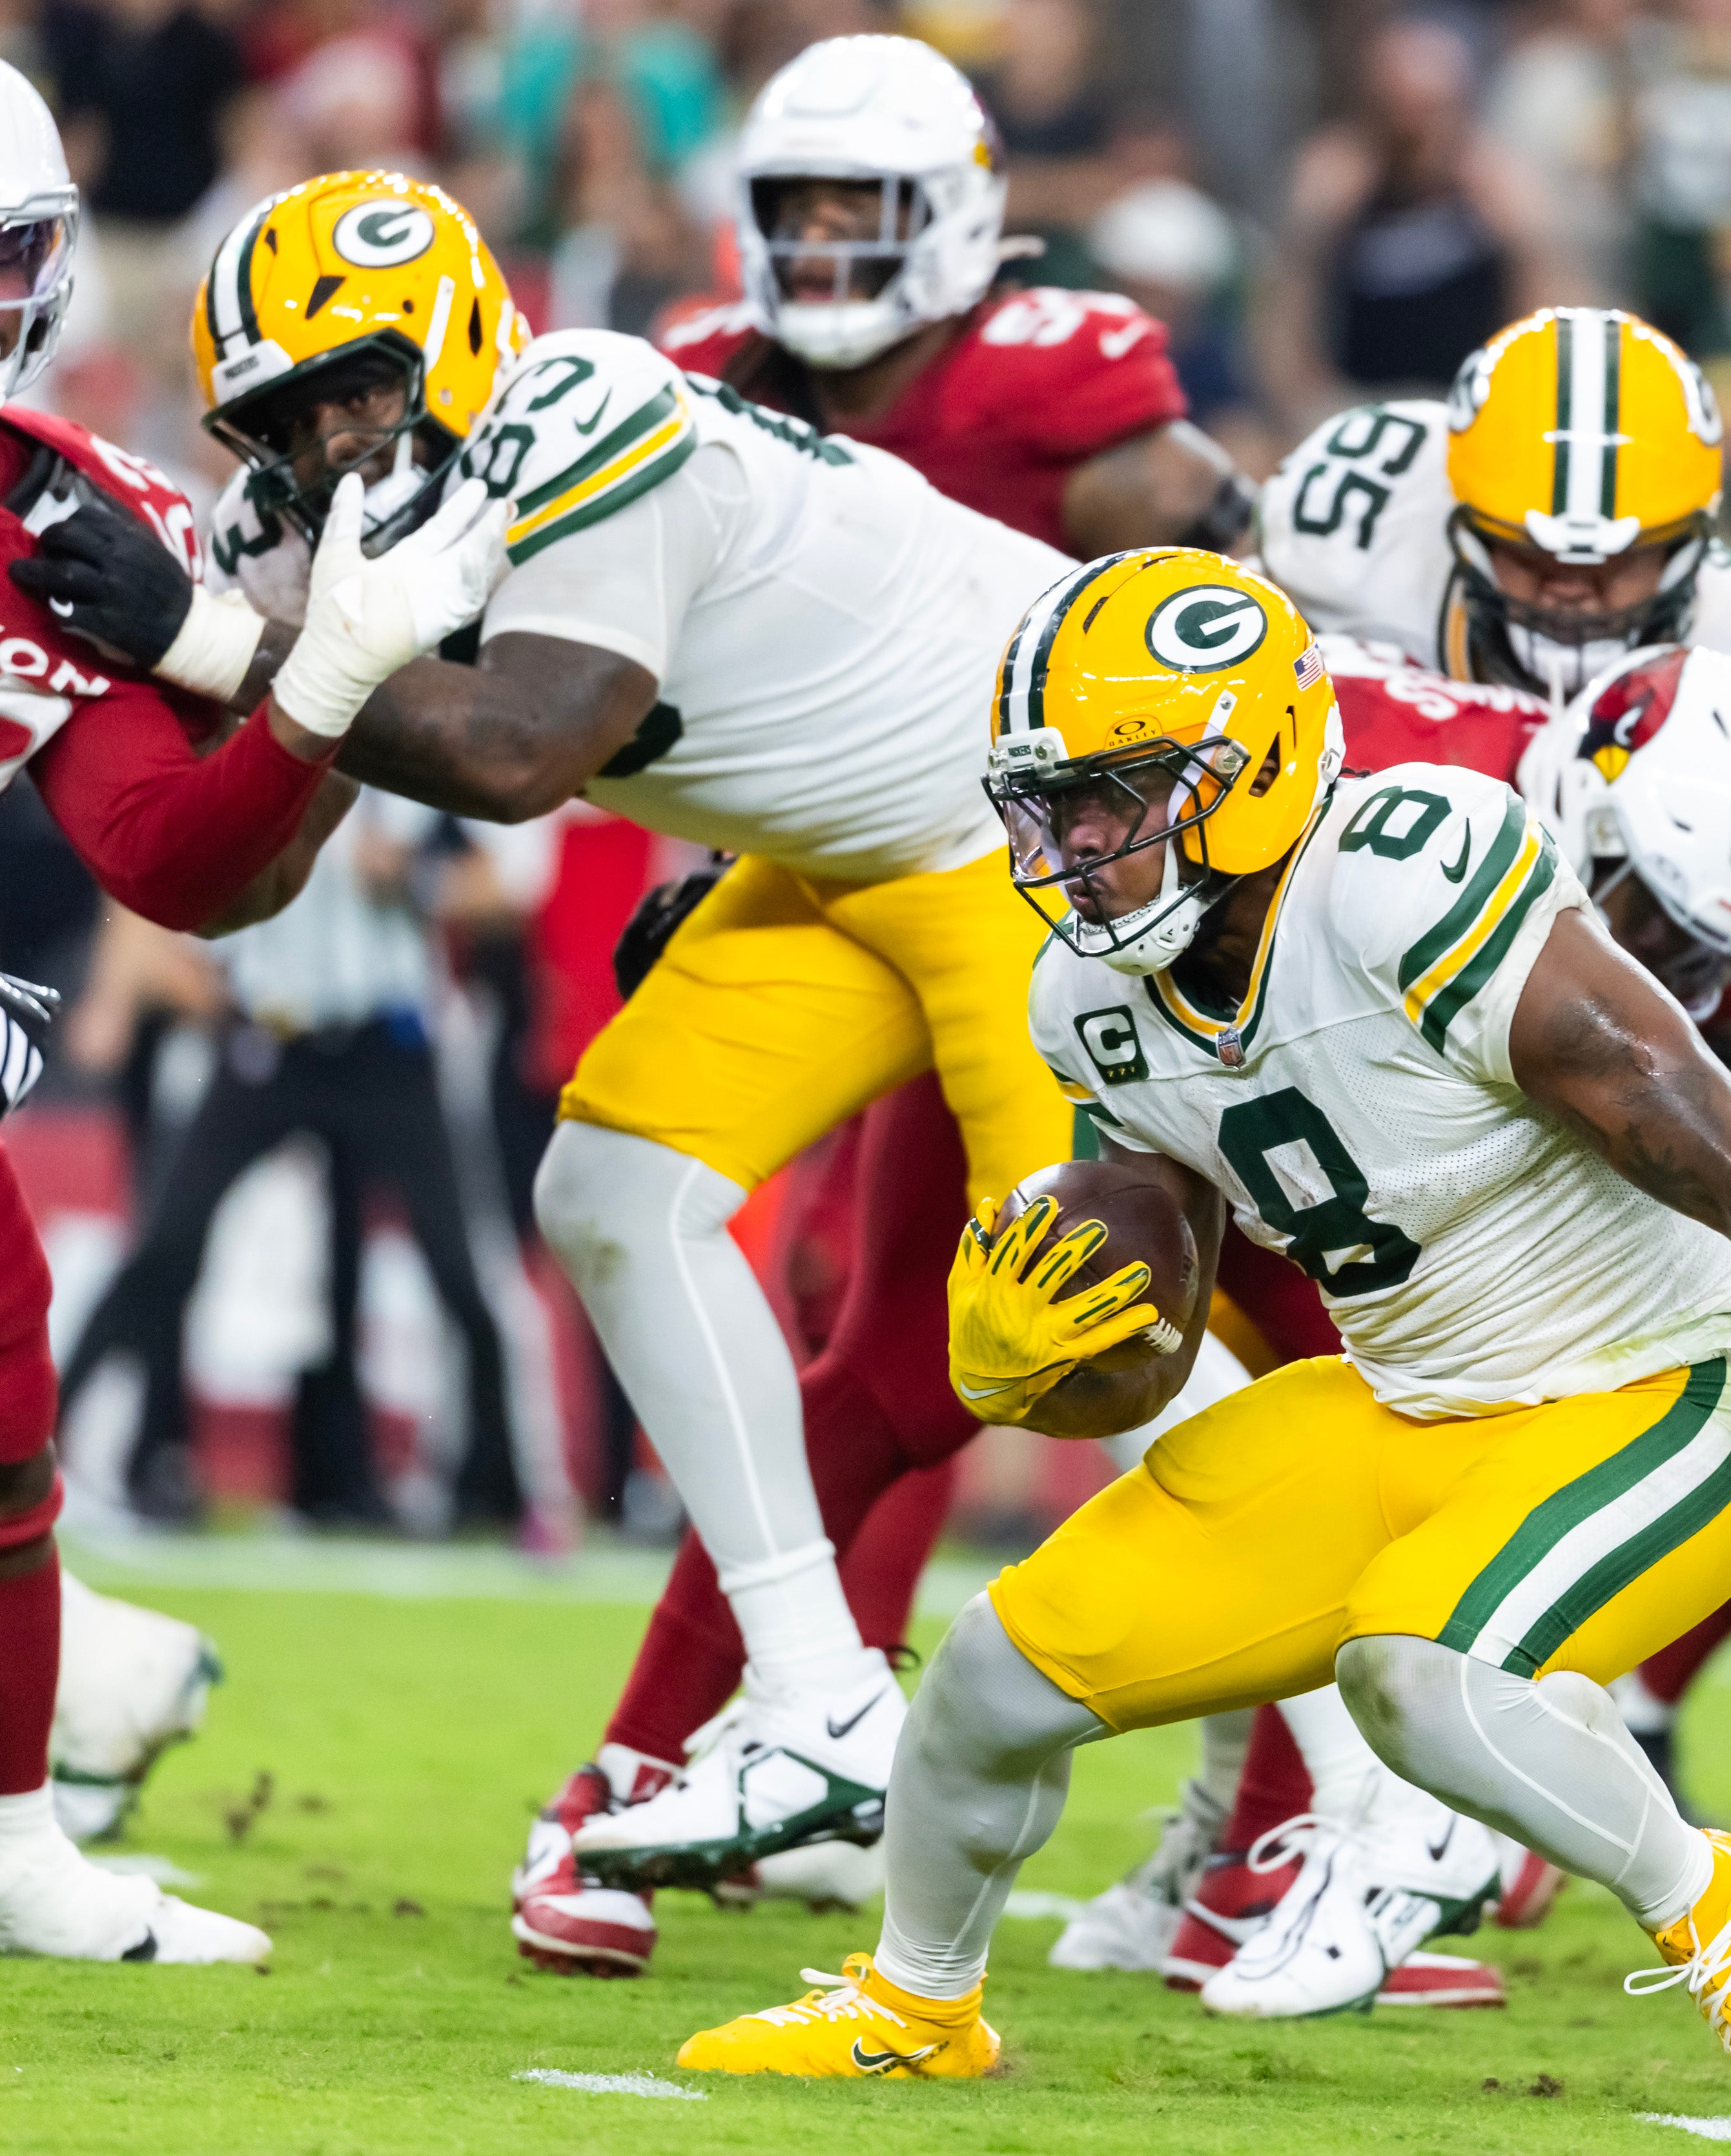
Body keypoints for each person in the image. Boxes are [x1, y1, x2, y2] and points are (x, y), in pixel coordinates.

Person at [671, 550, 1731, 2125]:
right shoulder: (1089, 993)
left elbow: (1718, 1143)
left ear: (1245, 776)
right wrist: (1029, 1356)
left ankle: (1715, 1911)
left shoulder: (1410, 876)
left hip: (1646, 1394)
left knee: (1415, 1678)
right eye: (1047, 800)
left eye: (1111, 795)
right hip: (1403, 1404)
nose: (1071, 844)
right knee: (995, 1674)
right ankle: (914, 2003)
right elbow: (1154, 1331)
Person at [25, 165, 1085, 1895]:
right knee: (608, 1191)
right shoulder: (289, 532)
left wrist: (222, 643)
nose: (330, 442)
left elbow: (524, 752)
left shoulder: (577, 399)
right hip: (835, 865)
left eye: (358, 386)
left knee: (1104, 1331)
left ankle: (1341, 1799)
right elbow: (255, 870)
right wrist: (259, 671)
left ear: (454, 345)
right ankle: (820, 1703)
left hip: (1030, 841)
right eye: (283, 418)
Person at [511, 32, 1252, 1982]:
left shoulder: (1056, 377)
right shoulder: (695, 378)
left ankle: (1327, 1810)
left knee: (1060, 1327)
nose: (827, 247)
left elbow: (1207, 595)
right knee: (864, 1339)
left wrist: (1191, 872)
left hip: (1055, 893)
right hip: (849, 874)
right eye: (798, 210)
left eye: (865, 209)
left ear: (964, 215)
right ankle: (701, 1741)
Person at [1250, 305, 1731, 2014]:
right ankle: (1258, 1827)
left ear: (1696, 535)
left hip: (1658, 1011)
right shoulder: (1338, 533)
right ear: (1454, 514)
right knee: (1307, 1389)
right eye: (1533, 569)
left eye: (1620, 568)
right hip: (1373, 995)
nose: (1571, 604)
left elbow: (1702, 963)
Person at [0, 63, 504, 1962]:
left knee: (5, 1372)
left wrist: (327, 687)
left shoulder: (68, 518)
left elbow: (175, 856)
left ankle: (16, 1839)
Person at [56, 791, 522, 1531]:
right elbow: (150, 881)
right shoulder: (251, 767)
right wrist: (142, 990)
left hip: (385, 1046)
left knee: (457, 1268)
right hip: (270, 1039)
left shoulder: (406, 785)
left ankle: (497, 1490)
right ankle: (40, 1441)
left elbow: (503, 890)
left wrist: (417, 878)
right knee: (165, 1244)